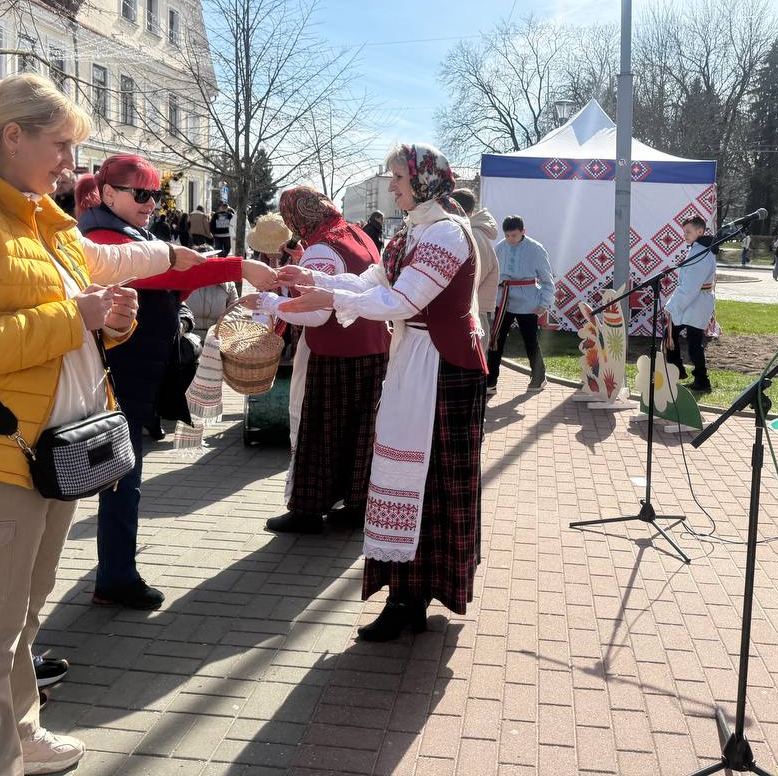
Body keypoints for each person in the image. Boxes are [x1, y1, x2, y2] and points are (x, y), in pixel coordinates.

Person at [0, 73, 207, 776]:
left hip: (50, 453)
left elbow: (71, 322)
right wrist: (79, 316)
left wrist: (108, 325)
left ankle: (19, 733)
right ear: (13, 137)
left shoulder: (38, 215)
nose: (73, 164)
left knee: (22, 618)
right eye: (62, 146)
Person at [278, 144, 486, 642]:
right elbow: (371, 280)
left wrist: (329, 295)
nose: (392, 185)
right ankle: (408, 593)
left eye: (398, 177)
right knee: (411, 476)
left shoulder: (446, 235)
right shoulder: (411, 233)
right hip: (416, 360)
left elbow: (401, 299)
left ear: (425, 180)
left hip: (442, 368)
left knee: (428, 480)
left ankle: (413, 595)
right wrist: (312, 277)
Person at [76, 156, 274, 610]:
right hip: (115, 377)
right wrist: (239, 266)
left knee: (124, 479)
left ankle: (115, 571)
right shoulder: (102, 235)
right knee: (121, 481)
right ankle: (115, 578)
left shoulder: (130, 232)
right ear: (108, 194)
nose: (151, 204)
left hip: (135, 372)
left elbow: (167, 285)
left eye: (155, 195)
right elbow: (162, 273)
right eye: (140, 194)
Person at [244, 186, 390, 534]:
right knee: (360, 434)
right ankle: (357, 505)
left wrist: (268, 304)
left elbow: (315, 314)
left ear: (295, 216)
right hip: (373, 347)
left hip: (335, 352)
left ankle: (307, 511)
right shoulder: (356, 232)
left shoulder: (320, 247)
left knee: (316, 435)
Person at [486, 215, 553, 396]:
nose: (510, 239)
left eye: (514, 235)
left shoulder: (536, 249)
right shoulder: (499, 247)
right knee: (495, 340)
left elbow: (547, 279)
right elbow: (491, 274)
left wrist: (544, 302)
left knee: (530, 340)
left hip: (528, 301)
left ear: (523, 232)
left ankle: (539, 376)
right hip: (504, 299)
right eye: (507, 235)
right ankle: (491, 380)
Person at [665, 215, 717, 393]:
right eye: (684, 232)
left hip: (695, 302)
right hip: (696, 302)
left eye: (688, 232)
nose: (684, 235)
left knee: (690, 341)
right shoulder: (699, 249)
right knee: (687, 340)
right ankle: (685, 374)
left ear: (700, 231)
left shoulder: (700, 252)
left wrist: (673, 306)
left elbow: (690, 287)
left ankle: (693, 377)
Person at [449, 189, 499, 351]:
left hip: (474, 312)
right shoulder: (471, 232)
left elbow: (473, 279)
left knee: (472, 366)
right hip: (469, 310)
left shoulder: (476, 236)